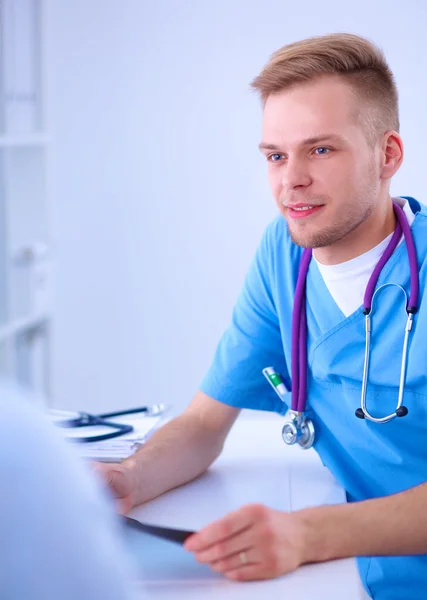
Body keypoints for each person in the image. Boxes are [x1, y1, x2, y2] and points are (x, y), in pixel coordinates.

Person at [96, 33, 427, 599]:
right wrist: (126, 480)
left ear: (388, 154)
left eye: (320, 150)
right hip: (362, 568)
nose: (289, 179)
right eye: (275, 155)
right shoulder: (284, 254)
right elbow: (203, 426)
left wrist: (307, 535)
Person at [0, 378, 139, 600]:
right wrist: (131, 476)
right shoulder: (19, 432)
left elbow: (203, 422)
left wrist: (130, 476)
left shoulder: (17, 435)